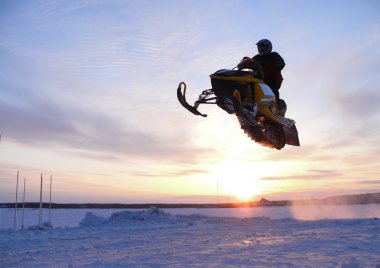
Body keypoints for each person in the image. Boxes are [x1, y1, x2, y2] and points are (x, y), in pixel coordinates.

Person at [252, 39, 285, 104]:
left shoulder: (274, 55)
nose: (261, 49)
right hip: (257, 78)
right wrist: (245, 61)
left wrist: (275, 65)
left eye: (263, 47)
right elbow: (250, 62)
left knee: (271, 87)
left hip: (271, 78)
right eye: (259, 47)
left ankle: (276, 105)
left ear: (268, 46)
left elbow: (281, 63)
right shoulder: (256, 57)